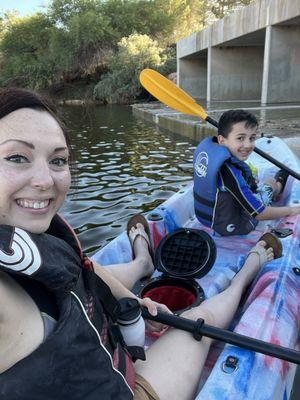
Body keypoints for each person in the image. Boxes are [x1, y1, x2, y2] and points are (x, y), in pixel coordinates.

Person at [0, 88, 277, 400]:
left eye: (58, 160)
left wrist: (128, 303)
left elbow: (79, 266)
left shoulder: (32, 230)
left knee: (87, 269)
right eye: (16, 157)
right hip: (124, 390)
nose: (46, 181)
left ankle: (142, 261)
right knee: (197, 321)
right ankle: (248, 270)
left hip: (99, 344)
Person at [193, 109, 300, 236]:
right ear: (222, 140)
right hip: (237, 225)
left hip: (208, 220)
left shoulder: (208, 155)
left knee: (255, 184)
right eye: (240, 138)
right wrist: (292, 210)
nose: (248, 144)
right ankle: (279, 185)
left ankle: (274, 185)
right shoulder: (230, 174)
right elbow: (259, 214)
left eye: (252, 138)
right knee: (269, 183)